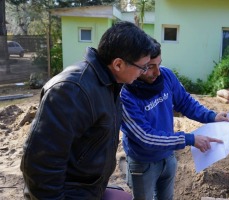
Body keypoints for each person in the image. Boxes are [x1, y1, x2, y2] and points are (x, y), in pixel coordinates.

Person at [20, 21, 154, 199]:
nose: (144, 72)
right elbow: (40, 165)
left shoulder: (109, 84)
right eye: (143, 67)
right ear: (118, 64)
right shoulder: (72, 90)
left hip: (89, 189)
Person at [120, 38, 229, 200]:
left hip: (168, 156)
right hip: (143, 163)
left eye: (159, 64)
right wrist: (189, 139)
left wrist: (211, 116)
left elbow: (185, 102)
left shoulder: (166, 75)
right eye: (150, 67)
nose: (157, 72)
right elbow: (146, 137)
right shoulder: (125, 96)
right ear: (136, 64)